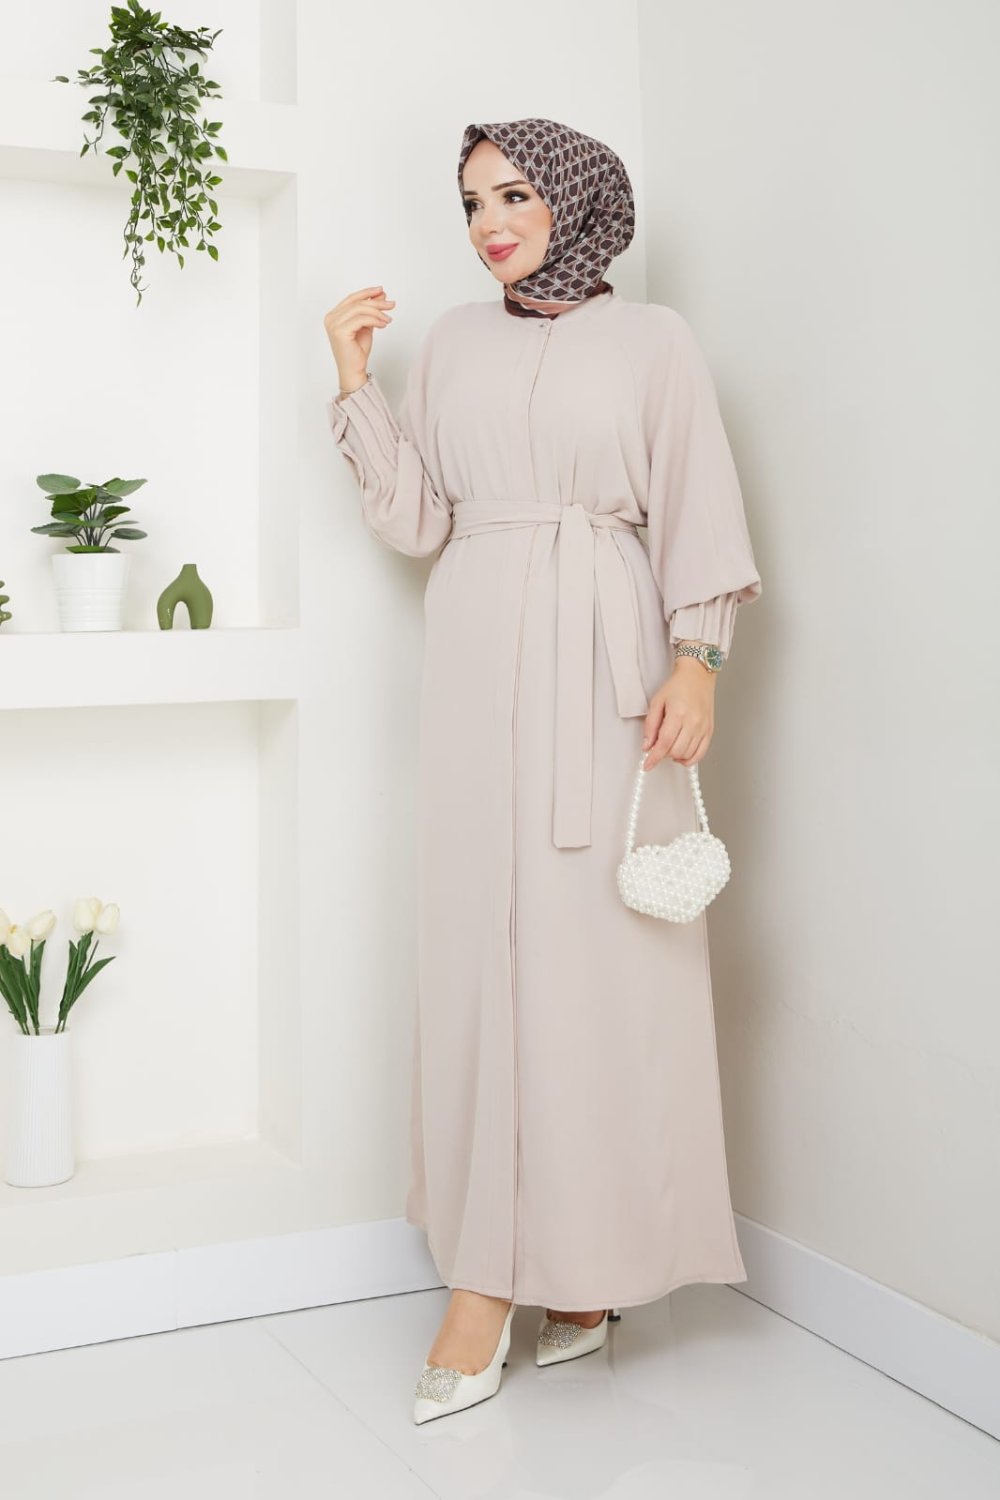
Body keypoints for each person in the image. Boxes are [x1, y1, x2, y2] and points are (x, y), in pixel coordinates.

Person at [323, 117, 763, 1424]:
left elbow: (697, 500)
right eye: (471, 204)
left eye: (513, 194)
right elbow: (417, 522)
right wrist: (355, 386)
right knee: (483, 955)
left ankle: (589, 1270)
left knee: (601, 968)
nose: (489, 224)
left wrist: (699, 661)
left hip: (610, 664)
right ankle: (487, 1274)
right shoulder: (455, 343)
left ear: (574, 200)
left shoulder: (656, 342)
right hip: (474, 667)